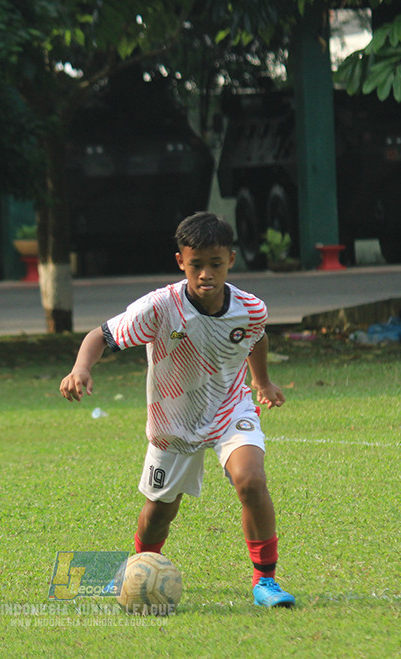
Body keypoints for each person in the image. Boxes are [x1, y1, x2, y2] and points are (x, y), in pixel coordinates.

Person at [59, 212, 295, 608]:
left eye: (215, 264)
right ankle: (138, 569)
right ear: (180, 262)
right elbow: (99, 336)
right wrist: (80, 368)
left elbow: (255, 338)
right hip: (174, 422)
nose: (206, 274)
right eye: (196, 264)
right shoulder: (158, 308)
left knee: (251, 481)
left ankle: (265, 581)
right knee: (158, 514)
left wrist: (263, 381)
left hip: (229, 408)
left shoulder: (251, 308)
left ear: (231, 261)